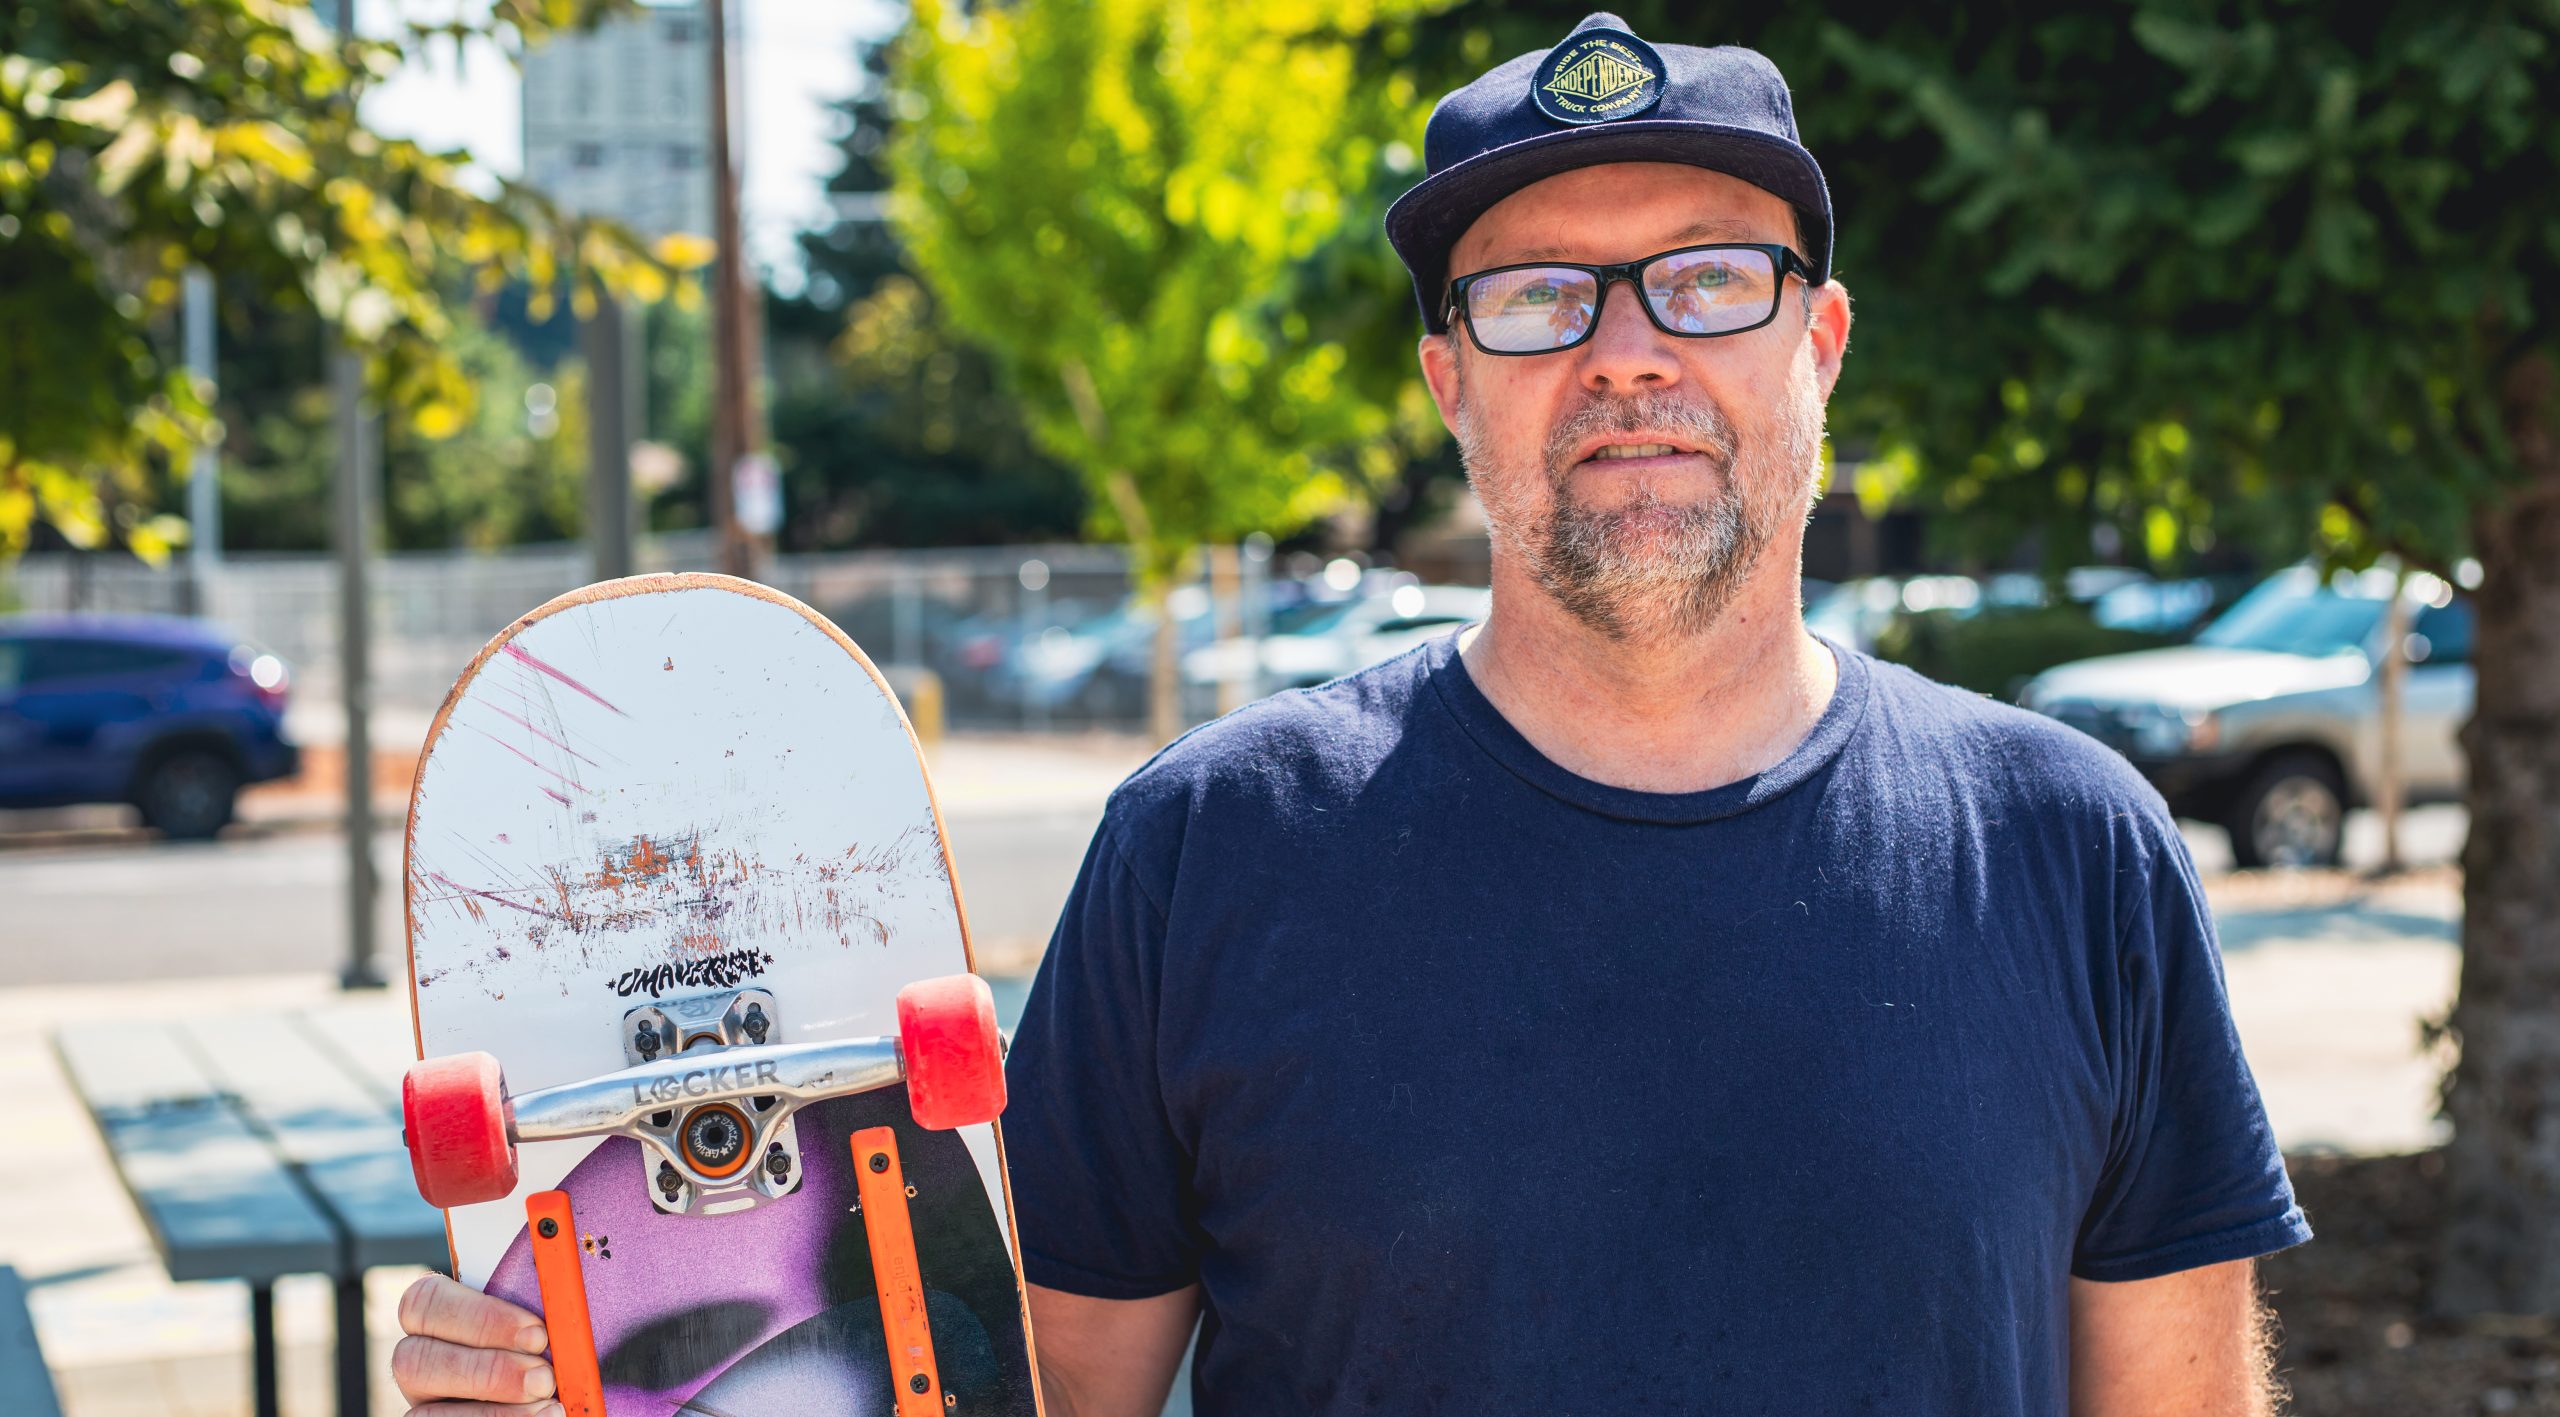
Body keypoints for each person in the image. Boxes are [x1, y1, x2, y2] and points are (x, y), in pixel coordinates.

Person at [390, 14, 2310, 1416]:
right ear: (1447, 383)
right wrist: (628, 1383)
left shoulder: (2076, 851)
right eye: (1541, 297)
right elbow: (993, 1394)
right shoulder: (1214, 852)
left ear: (1817, 346)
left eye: (1710, 282)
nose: (1629, 352)